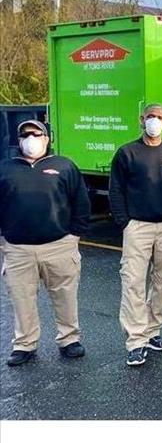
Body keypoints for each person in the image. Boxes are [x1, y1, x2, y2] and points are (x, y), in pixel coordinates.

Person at [0, 120, 90, 366]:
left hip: (59, 245)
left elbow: (81, 203)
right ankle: (24, 344)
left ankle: (69, 339)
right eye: (25, 134)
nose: (31, 138)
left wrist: (75, 235)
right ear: (18, 140)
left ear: (47, 138)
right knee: (21, 298)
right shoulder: (5, 169)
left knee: (65, 295)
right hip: (18, 249)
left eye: (36, 133)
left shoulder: (64, 166)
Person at [109, 103, 162, 366]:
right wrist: (125, 223)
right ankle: (135, 340)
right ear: (141, 120)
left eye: (160, 118)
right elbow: (116, 190)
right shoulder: (126, 153)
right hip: (138, 227)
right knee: (133, 281)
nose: (154, 121)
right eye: (150, 117)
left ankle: (153, 331)